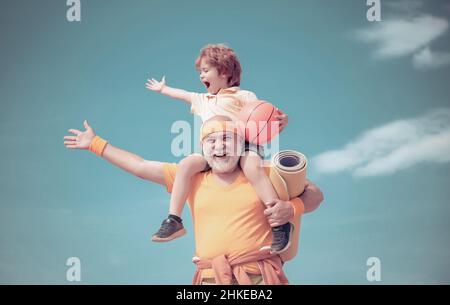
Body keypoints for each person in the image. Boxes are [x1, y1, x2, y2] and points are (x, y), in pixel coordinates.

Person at [63, 116, 324, 284]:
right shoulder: (191, 178)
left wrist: (292, 208)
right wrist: (95, 144)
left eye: (227, 139)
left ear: (241, 146)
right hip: (209, 278)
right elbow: (140, 166)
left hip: (258, 277)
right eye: (211, 140)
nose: (219, 145)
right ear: (203, 148)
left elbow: (314, 194)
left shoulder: (263, 172)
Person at [145, 43, 292, 253]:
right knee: (186, 164)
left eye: (205, 71)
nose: (200, 76)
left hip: (243, 145)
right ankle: (174, 220)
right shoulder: (203, 99)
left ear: (223, 71)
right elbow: (183, 94)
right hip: (212, 151)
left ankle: (279, 222)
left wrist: (281, 119)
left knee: (251, 167)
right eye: (199, 72)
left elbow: (266, 114)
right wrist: (163, 89)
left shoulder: (244, 96)